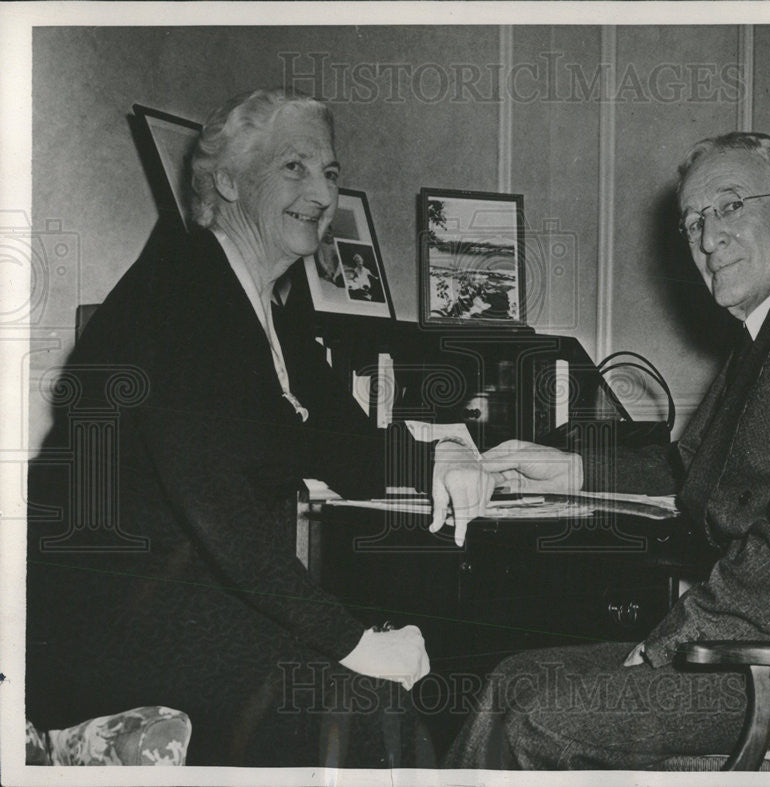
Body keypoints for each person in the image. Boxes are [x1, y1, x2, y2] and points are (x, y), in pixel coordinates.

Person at [441, 132, 770, 769]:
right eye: (693, 221)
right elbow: (699, 468)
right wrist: (575, 468)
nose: (707, 237)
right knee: (515, 678)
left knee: (547, 718)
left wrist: (668, 644)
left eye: (730, 207)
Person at [25, 88, 487, 767]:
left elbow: (352, 452)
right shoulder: (178, 284)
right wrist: (354, 640)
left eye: (330, 173)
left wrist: (442, 454)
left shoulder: (272, 316)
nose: (322, 193)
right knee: (361, 700)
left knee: (409, 680)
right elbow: (216, 504)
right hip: (106, 631)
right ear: (230, 181)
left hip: (192, 611)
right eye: (294, 167)